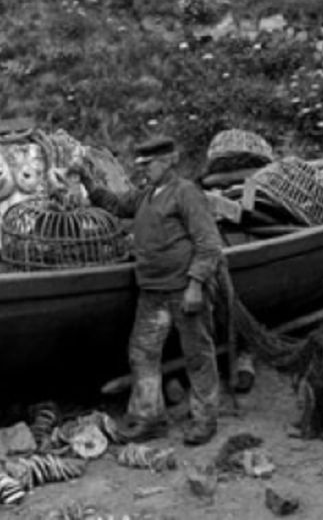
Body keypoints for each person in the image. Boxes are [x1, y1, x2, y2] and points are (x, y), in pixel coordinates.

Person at [68, 136, 223, 446]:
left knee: (198, 356)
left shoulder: (186, 193)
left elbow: (209, 244)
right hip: (151, 292)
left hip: (182, 290)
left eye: (148, 165)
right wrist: (86, 179)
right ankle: (150, 418)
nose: (143, 171)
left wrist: (195, 285)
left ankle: (205, 420)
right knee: (142, 354)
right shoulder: (146, 195)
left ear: (168, 161)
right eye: (140, 165)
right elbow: (114, 203)